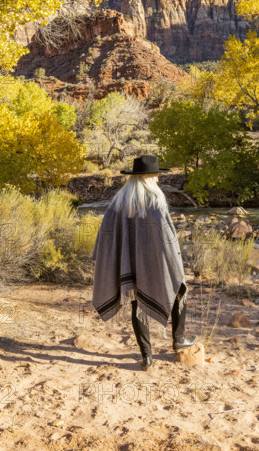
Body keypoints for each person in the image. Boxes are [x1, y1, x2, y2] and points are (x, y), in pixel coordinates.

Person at [92, 154, 197, 371]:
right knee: (179, 289)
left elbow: (105, 234)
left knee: (137, 303)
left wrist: (114, 259)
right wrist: (173, 264)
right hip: (155, 262)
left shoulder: (118, 203)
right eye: (156, 176)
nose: (158, 180)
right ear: (149, 178)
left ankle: (146, 356)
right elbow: (168, 240)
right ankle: (179, 339)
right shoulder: (155, 203)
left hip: (128, 264)